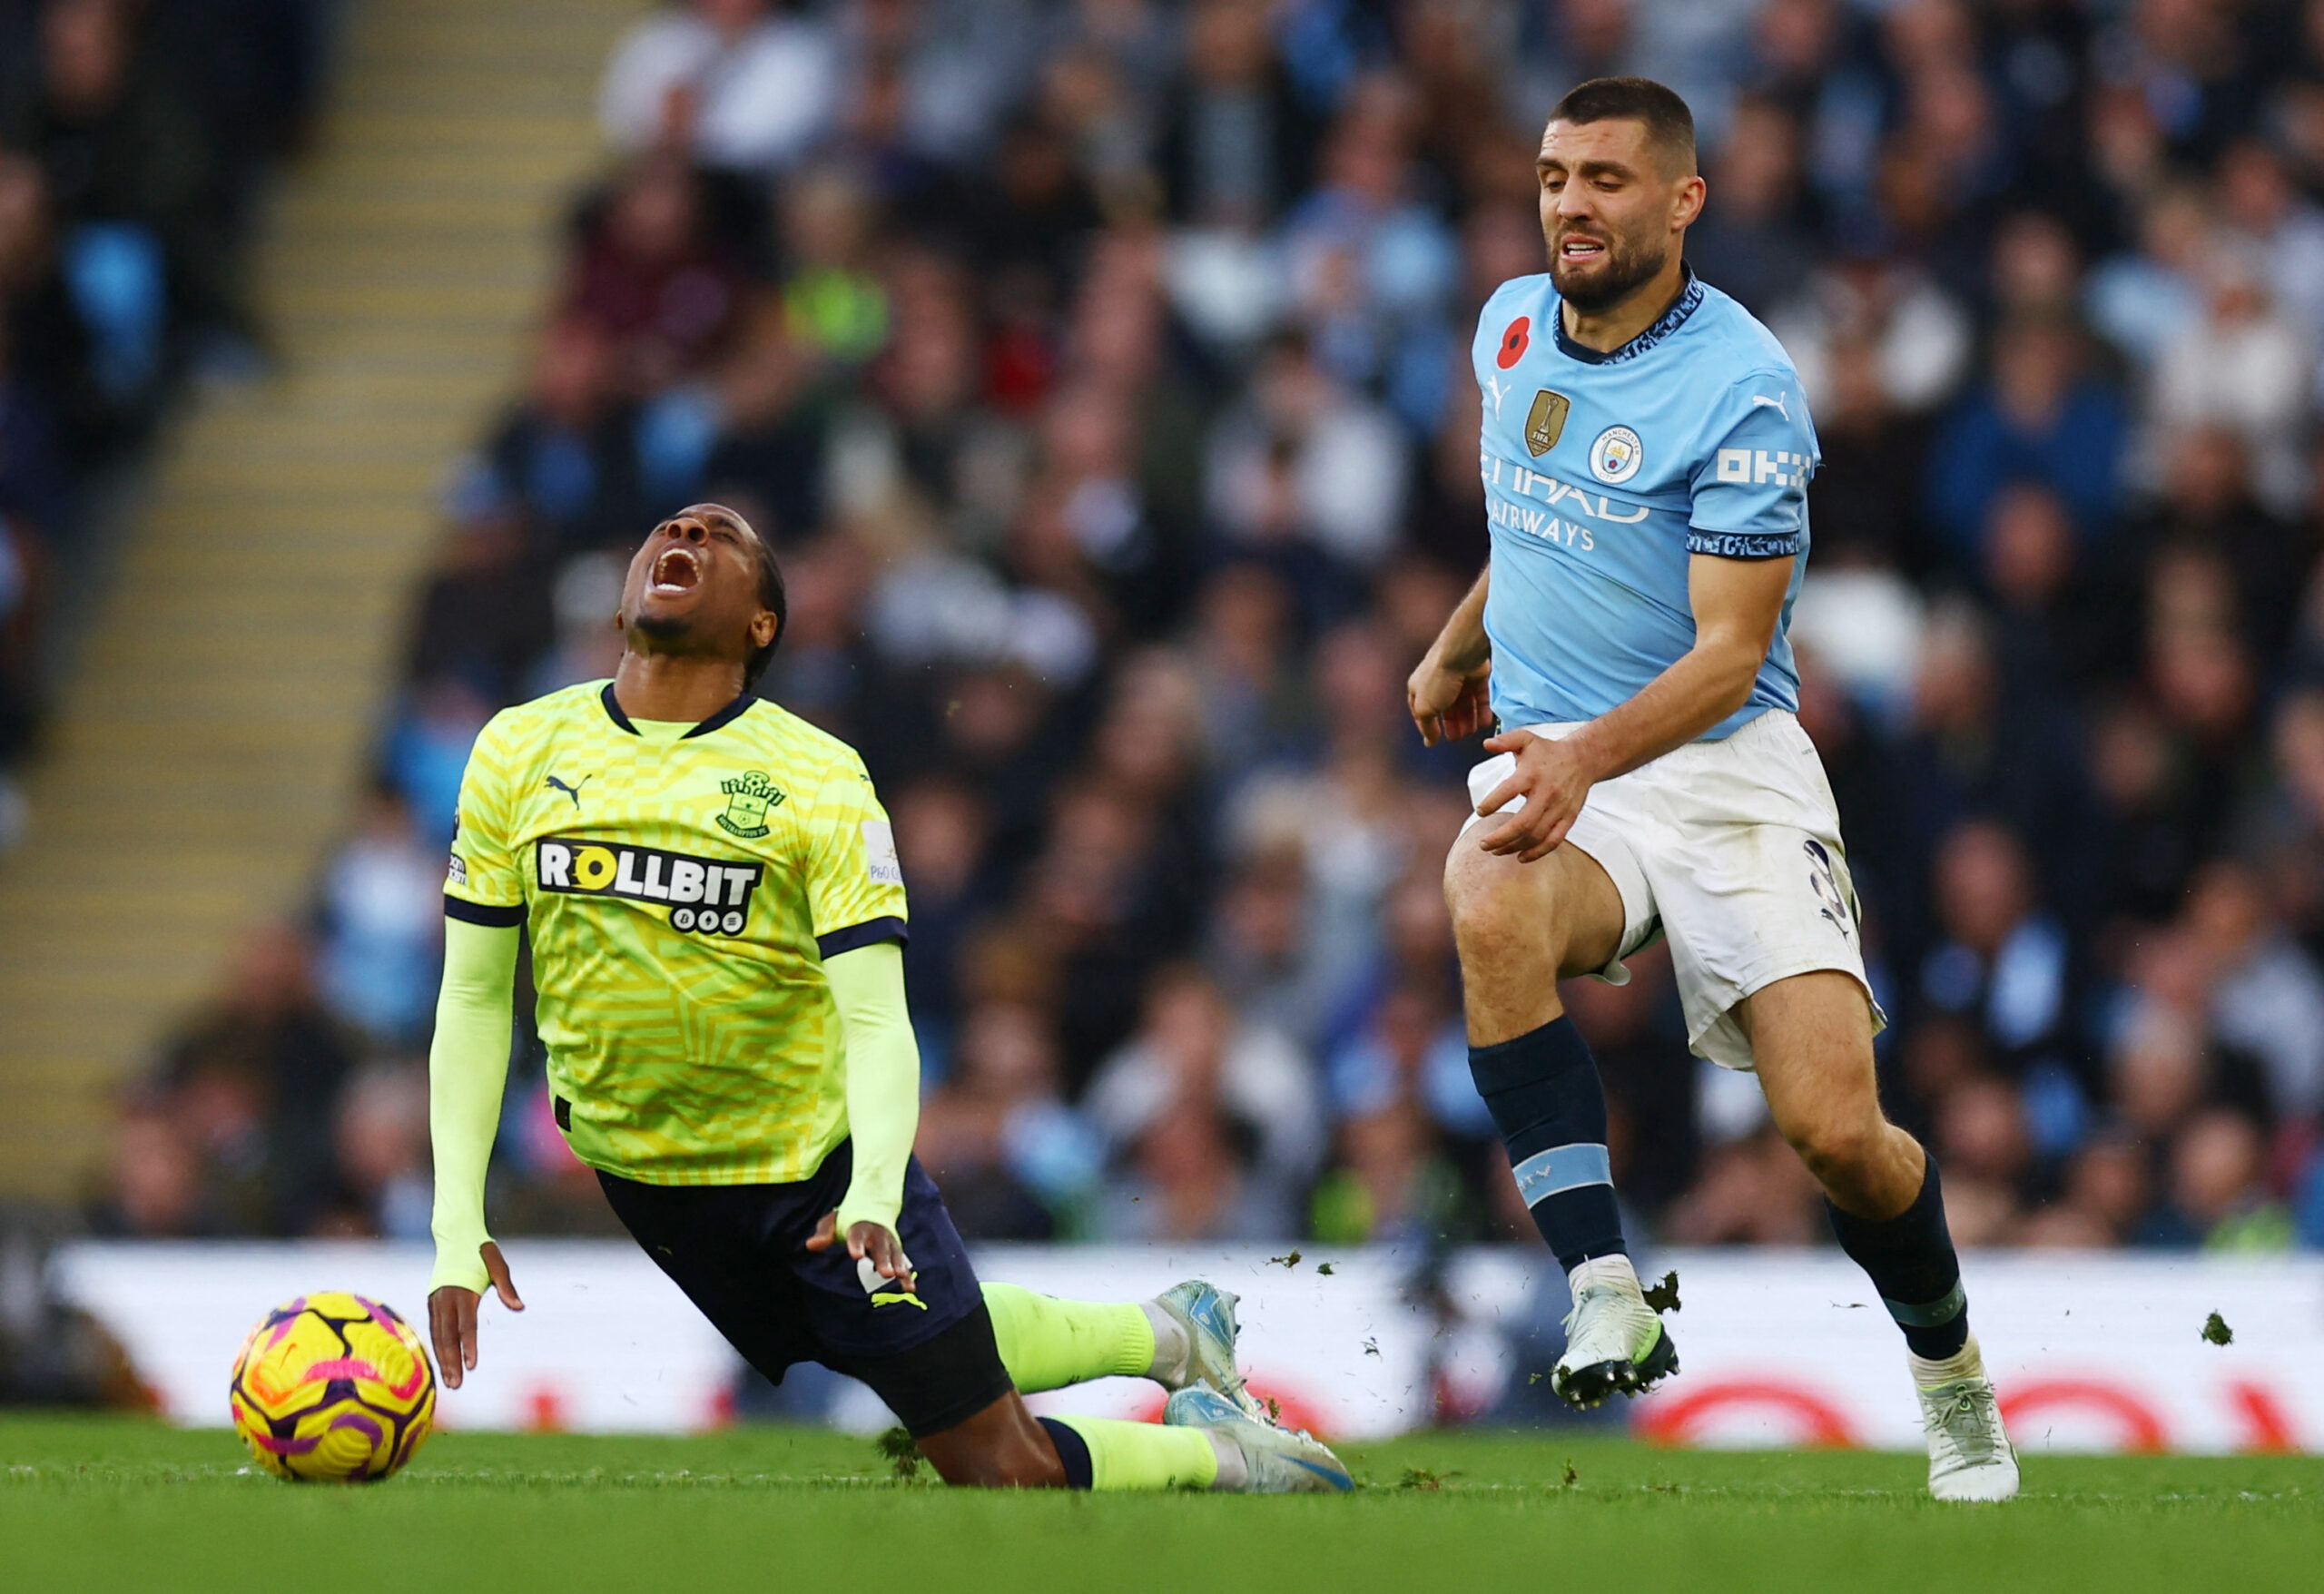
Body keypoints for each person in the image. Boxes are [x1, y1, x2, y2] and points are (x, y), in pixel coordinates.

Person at [425, 502, 1349, 1494]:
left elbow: (874, 1017)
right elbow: (475, 1000)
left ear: (761, 625)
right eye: (669, 530)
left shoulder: (815, 777)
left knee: (998, 1468)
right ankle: (1170, 1333)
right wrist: (453, 1225)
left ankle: (1226, 1455)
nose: (683, 537)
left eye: (720, 537)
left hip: (811, 1173)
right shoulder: (517, 751)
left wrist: (871, 1189)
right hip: (646, 1179)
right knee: (886, 1344)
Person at [1403, 79, 2017, 1502]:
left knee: (1837, 1137)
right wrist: (1454, 650)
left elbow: (1733, 653)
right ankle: (1604, 1281)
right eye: (1556, 175)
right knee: (1484, 885)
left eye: (1608, 180)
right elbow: (1539, 525)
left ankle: (1954, 1380)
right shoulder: (1508, 327)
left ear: (1683, 201)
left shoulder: (1744, 383)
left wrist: (1572, 757)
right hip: (1577, 771)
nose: (1571, 203)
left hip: (1726, 771)